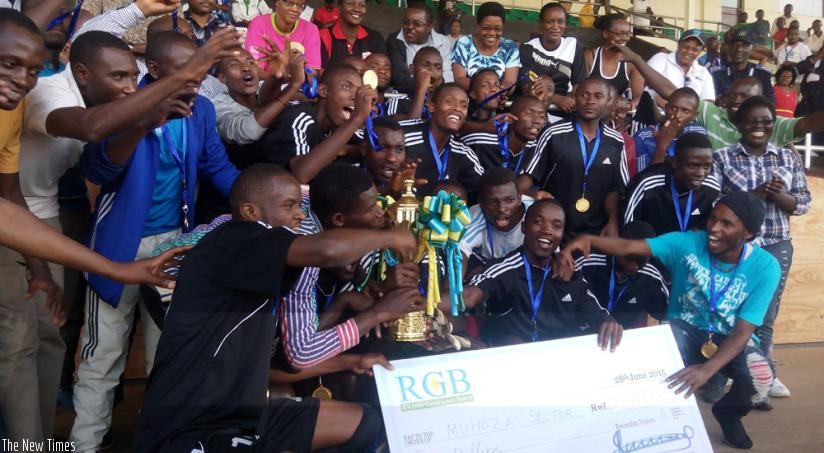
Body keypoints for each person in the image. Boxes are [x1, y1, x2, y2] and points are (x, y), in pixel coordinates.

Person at [133, 164, 418, 452]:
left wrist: (348, 315)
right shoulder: (240, 236)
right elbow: (301, 351)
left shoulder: (269, 242)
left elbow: (290, 351)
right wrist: (390, 242)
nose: (300, 214)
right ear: (250, 212)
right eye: (289, 206)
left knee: (363, 422)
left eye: (300, 204)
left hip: (241, 411)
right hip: (190, 423)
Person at [71, 31, 241, 451]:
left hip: (174, 246)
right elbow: (98, 170)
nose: (196, 80)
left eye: (201, 70)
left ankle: (159, 444)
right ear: (155, 69)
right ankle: (84, 445)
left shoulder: (200, 109)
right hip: (116, 246)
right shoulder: (124, 107)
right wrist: (145, 120)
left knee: (167, 357)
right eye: (188, 70)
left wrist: (267, 198)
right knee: (101, 358)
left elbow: (216, 167)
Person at [560, 191, 780, 450]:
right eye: (713, 219)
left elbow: (744, 330)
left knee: (761, 378)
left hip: (730, 336)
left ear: (748, 234)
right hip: (683, 327)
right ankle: (654, 426)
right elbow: (631, 246)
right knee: (657, 364)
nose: (714, 228)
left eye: (726, 224)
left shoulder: (766, 267)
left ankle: (729, 414)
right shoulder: (687, 243)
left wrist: (707, 370)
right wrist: (587, 239)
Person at [712, 95, 811, 406]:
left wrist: (780, 196)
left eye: (766, 121)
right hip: (735, 247)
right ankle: (716, 377)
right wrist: (754, 196)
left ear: (773, 125)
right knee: (723, 311)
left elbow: (803, 202)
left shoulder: (787, 157)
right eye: (752, 121)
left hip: (776, 245)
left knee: (763, 317)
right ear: (739, 124)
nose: (759, 126)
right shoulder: (723, 157)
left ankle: (757, 386)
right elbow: (714, 204)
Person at [463, 199, 623, 347]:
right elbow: (469, 297)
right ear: (524, 227)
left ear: (562, 234)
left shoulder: (570, 273)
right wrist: (436, 305)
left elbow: (594, 312)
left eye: (556, 225)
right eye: (538, 222)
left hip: (558, 360)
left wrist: (607, 321)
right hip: (513, 361)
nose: (547, 230)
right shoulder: (506, 269)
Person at [615, 41, 824, 151]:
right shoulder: (711, 113)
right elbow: (670, 91)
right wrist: (636, 59)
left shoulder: (771, 125)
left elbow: (807, 124)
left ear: (758, 101)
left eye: (744, 96)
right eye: (732, 95)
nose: (736, 100)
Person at [519, 77, 629, 242]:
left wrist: (613, 222)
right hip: (555, 229)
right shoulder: (553, 134)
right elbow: (528, 177)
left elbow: (615, 189)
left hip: (595, 232)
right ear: (575, 98)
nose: (590, 101)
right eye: (584, 95)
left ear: (608, 101)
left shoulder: (616, 141)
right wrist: (528, 194)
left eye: (598, 96)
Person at [259, 65, 377, 183]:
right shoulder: (298, 119)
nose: (354, 97)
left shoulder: (344, 126)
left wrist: (354, 148)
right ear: (323, 91)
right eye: (346, 87)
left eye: (358, 92)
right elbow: (301, 174)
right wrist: (356, 119)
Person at [397, 83, 484, 199]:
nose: (457, 108)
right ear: (432, 106)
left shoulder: (463, 151)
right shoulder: (404, 136)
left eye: (463, 106)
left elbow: (485, 188)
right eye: (449, 102)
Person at [622, 132, 720, 235]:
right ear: (674, 162)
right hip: (650, 249)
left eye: (707, 167)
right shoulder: (646, 185)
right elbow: (628, 230)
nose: (701, 174)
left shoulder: (711, 188)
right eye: (692, 166)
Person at [575, 221, 668, 329]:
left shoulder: (652, 277)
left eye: (641, 262)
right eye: (629, 258)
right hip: (581, 336)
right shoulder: (587, 264)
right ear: (618, 245)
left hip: (623, 340)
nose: (633, 267)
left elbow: (668, 315)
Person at [518, 2, 587, 116]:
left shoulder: (573, 46)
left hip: (566, 108)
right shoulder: (527, 49)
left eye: (560, 22)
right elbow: (528, 87)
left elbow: (579, 84)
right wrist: (556, 99)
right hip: (536, 107)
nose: (556, 26)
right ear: (541, 25)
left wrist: (574, 102)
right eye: (550, 22)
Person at [459, 168, 533, 269]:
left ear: (519, 198)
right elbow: (459, 255)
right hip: (487, 274)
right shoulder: (474, 216)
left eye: (509, 200)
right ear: (481, 202)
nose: (502, 209)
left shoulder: (536, 214)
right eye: (492, 202)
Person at [460, 95, 547, 173]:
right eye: (529, 113)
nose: (537, 120)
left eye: (542, 116)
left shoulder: (534, 146)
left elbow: (525, 180)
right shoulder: (479, 142)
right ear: (510, 118)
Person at [631, 87, 706, 171]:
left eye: (685, 111)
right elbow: (646, 180)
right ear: (666, 108)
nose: (677, 115)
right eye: (673, 108)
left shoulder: (697, 133)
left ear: (694, 116)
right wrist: (662, 145)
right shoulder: (643, 137)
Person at [386, 3, 454, 95]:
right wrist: (427, 85)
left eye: (417, 24)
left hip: (436, 95)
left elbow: (447, 76)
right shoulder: (395, 40)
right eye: (406, 22)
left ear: (430, 27)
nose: (409, 27)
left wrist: (435, 85)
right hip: (406, 95)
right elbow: (399, 77)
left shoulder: (442, 42)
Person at [451, 1, 520, 91]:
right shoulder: (464, 43)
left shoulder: (510, 47)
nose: (492, 33)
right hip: (468, 102)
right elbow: (459, 79)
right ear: (478, 26)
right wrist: (484, 90)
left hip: (497, 100)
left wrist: (498, 92)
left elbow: (510, 83)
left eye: (497, 29)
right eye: (486, 28)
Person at [245, 0, 322, 73]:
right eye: (289, 3)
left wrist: (302, 70)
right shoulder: (258, 24)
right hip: (265, 85)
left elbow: (312, 71)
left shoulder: (311, 29)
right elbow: (254, 70)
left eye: (300, 5)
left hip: (298, 85)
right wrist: (281, 75)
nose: (295, 9)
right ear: (277, 2)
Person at [585, 14, 644, 110]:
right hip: (592, 110)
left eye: (627, 33)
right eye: (620, 34)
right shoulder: (589, 56)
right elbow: (582, 89)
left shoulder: (632, 62)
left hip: (617, 113)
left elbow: (639, 96)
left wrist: (628, 105)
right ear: (605, 34)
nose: (625, 38)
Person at [646, 29, 715, 107]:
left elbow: (707, 104)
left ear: (701, 51)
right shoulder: (661, 59)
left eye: (695, 50)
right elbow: (645, 88)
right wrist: (670, 108)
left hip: (691, 118)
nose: (689, 52)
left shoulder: (704, 73)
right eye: (686, 47)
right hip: (656, 113)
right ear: (679, 44)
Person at [711, 27, 775, 103]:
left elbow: (770, 104)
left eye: (745, 45)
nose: (739, 49)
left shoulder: (762, 75)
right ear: (730, 47)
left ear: (753, 48)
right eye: (735, 45)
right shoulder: (717, 74)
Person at [318, 0, 386, 67]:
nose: (357, 9)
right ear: (339, 8)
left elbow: (381, 70)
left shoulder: (375, 38)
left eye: (362, 5)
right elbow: (320, 74)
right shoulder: (324, 36)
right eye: (351, 3)